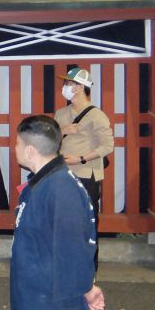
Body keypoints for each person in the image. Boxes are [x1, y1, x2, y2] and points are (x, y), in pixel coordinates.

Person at [11, 115, 107, 310]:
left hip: (52, 302)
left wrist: (87, 287)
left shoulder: (60, 188)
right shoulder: (45, 182)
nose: (14, 148)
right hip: (40, 296)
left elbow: (74, 248)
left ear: (30, 150)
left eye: (17, 143)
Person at [55, 68, 114, 270]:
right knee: (63, 220)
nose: (65, 87)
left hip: (86, 175)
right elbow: (51, 140)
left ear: (80, 87)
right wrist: (62, 130)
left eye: (69, 83)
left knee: (86, 222)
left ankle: (88, 270)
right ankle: (66, 265)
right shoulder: (61, 113)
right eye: (65, 83)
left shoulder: (97, 115)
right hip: (63, 174)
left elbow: (107, 146)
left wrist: (80, 159)